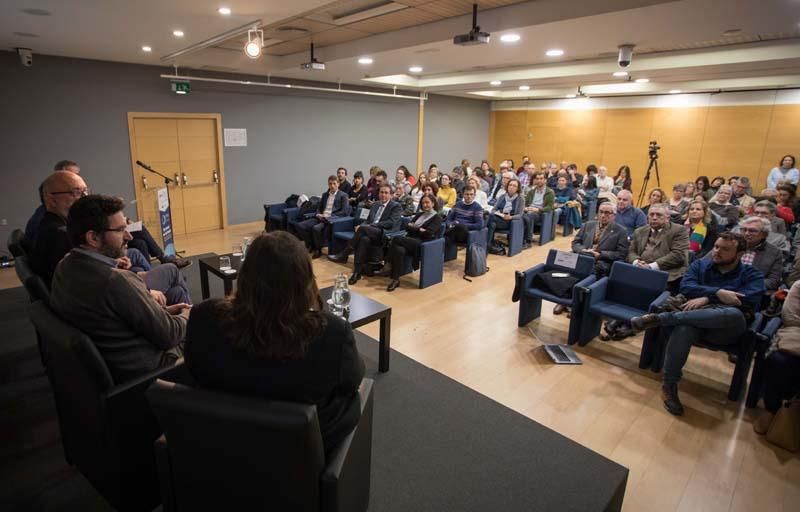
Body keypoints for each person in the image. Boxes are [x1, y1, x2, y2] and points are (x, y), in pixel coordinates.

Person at [184, 231, 364, 457]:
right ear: (306, 282)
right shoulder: (332, 334)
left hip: (217, 451)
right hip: (297, 463)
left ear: (245, 275)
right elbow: (353, 379)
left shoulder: (204, 318)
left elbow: (192, 369)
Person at [50, 195, 191, 383]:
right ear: (93, 237)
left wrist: (165, 311)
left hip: (114, 363)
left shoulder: (64, 266)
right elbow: (170, 335)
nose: (129, 236)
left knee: (180, 300)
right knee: (214, 332)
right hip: (153, 372)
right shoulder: (114, 281)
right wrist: (190, 314)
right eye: (121, 230)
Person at [630, 232, 764, 416]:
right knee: (684, 328)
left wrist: (706, 297)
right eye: (716, 246)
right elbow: (686, 287)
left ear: (740, 254)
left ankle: (661, 319)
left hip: (726, 330)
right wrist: (717, 293)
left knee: (733, 313)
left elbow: (748, 301)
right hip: (693, 322)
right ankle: (669, 385)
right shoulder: (700, 265)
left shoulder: (752, 275)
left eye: (725, 249)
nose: (717, 251)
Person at [329, 184, 401, 285]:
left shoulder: (395, 206)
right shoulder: (375, 204)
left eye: (386, 193)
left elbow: (391, 222)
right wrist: (361, 225)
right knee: (363, 239)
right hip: (371, 232)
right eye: (381, 192)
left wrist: (371, 226)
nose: (383, 195)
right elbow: (367, 220)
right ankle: (356, 272)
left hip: (384, 233)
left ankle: (344, 254)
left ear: (391, 195)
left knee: (363, 230)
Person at [753, 279, 800, 434]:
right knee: (779, 361)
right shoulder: (798, 286)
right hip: (796, 336)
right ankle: (772, 409)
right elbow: (790, 317)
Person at [384, 194, 443, 292]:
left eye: (427, 202)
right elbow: (407, 226)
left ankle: (388, 263)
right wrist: (419, 229)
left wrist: (414, 228)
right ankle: (395, 279)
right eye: (423, 203)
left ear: (433, 203)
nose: (425, 205)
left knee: (396, 239)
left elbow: (429, 233)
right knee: (399, 250)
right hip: (410, 240)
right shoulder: (420, 214)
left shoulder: (437, 218)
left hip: (422, 244)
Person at [628, 203, 689, 292]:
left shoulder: (679, 231)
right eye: (651, 214)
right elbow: (631, 251)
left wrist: (651, 267)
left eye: (659, 215)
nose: (654, 217)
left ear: (667, 218)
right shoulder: (640, 231)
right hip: (640, 269)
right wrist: (637, 262)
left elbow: (678, 255)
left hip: (666, 272)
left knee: (645, 289)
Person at [571, 201, 629, 281]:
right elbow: (575, 243)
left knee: (585, 270)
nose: (603, 215)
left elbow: (621, 254)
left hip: (601, 262)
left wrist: (600, 254)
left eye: (607, 213)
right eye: (601, 212)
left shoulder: (621, 231)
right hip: (583, 256)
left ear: (614, 216)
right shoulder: (588, 225)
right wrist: (583, 250)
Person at [294, 175, 350, 258]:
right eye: (330, 184)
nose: (332, 186)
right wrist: (318, 214)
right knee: (299, 225)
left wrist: (330, 216)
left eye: (334, 184)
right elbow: (319, 208)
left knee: (316, 228)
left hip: (330, 219)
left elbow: (344, 212)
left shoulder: (343, 195)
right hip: (320, 217)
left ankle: (318, 250)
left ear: (338, 184)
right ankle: (310, 244)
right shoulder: (325, 194)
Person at [737, 216, 784, 295]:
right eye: (744, 230)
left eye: (752, 231)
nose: (746, 233)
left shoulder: (774, 252)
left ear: (764, 234)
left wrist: (748, 285)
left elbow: (773, 281)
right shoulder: (730, 244)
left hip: (752, 292)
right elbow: (709, 264)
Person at [487, 179, 524, 251]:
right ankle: (489, 244)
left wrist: (511, 217)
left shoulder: (520, 199)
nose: (511, 187)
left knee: (489, 218)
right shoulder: (502, 196)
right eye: (510, 185)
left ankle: (486, 243)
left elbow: (520, 215)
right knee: (492, 224)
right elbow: (494, 209)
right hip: (498, 218)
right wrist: (498, 213)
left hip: (509, 221)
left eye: (514, 186)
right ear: (507, 186)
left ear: (517, 188)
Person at [522, 172, 555, 247]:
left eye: (541, 179)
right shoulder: (531, 192)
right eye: (537, 179)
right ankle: (516, 238)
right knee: (521, 215)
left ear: (545, 180)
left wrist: (538, 210)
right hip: (529, 210)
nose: (539, 180)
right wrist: (525, 208)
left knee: (529, 215)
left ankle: (528, 240)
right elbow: (526, 203)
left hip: (540, 213)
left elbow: (550, 207)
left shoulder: (550, 192)